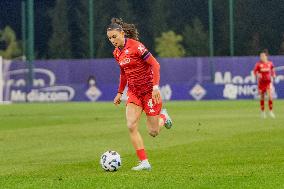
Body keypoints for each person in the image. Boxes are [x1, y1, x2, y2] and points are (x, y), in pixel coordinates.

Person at [106, 18, 173, 171]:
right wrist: (119, 92)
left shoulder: (137, 47)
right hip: (134, 93)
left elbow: (155, 64)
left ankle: (164, 117)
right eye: (110, 38)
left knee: (153, 132)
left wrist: (156, 87)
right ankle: (144, 162)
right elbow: (123, 73)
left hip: (149, 92)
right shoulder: (117, 53)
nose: (112, 40)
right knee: (131, 125)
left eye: (114, 36)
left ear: (122, 33)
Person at [253, 49, 276, 118]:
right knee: (262, 97)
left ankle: (271, 111)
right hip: (261, 83)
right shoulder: (258, 64)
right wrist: (257, 75)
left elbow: (272, 70)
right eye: (260, 56)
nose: (261, 57)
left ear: (266, 56)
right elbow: (255, 72)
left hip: (268, 82)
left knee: (270, 96)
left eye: (263, 56)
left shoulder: (270, 63)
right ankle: (263, 112)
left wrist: (274, 75)